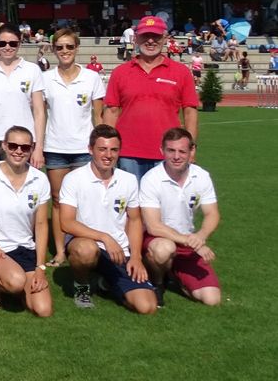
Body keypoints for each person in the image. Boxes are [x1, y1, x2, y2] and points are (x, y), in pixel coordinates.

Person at [58, 125, 158, 314]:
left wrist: (136, 257)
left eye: (114, 150)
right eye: (102, 149)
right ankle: (82, 286)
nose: (108, 155)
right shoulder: (73, 179)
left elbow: (135, 220)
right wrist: (104, 237)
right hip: (86, 243)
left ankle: (103, 282)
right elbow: (66, 222)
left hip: (119, 250)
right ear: (90, 150)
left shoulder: (128, 180)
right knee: (85, 251)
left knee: (147, 307)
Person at [0, 126, 53, 317]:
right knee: (16, 281)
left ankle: (11, 286)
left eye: (25, 147)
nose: (19, 151)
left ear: (32, 149)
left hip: (25, 249)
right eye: (13, 145)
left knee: (43, 310)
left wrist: (40, 267)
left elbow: (41, 225)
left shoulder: (40, 179)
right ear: (4, 146)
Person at [102, 15, 199, 179]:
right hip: (128, 153)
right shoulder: (121, 72)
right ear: (137, 38)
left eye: (156, 36)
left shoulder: (181, 72)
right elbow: (111, 112)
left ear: (165, 38)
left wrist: (190, 146)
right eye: (146, 36)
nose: (151, 41)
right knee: (132, 204)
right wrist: (108, 149)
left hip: (169, 153)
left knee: (166, 204)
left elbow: (190, 111)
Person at [42, 28, 106, 267]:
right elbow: (38, 113)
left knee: (87, 201)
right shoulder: (46, 78)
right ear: (53, 49)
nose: (65, 51)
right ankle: (60, 251)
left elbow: (98, 116)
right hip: (55, 148)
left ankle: (89, 248)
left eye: (69, 47)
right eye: (60, 47)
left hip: (83, 149)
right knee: (58, 201)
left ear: (77, 48)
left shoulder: (91, 78)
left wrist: (101, 146)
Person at [138, 128, 221, 306]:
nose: (176, 156)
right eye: (171, 150)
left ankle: (175, 276)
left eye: (182, 151)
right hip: (158, 239)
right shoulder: (151, 179)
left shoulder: (202, 176)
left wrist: (200, 237)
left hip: (187, 241)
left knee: (212, 299)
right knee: (163, 250)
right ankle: (158, 282)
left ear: (192, 151)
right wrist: (190, 241)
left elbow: (212, 214)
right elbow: (153, 226)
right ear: (162, 151)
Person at [0, 24, 46, 171]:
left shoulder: (32, 70)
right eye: (2, 43)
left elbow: (39, 112)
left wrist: (38, 147)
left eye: (13, 43)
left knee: (21, 188)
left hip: (23, 140)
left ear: (19, 43)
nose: (7, 47)